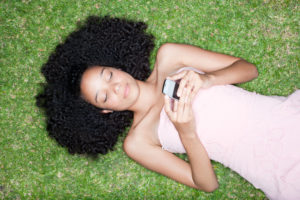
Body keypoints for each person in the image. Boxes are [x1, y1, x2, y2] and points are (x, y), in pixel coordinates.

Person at [37, 16, 300, 200]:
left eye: (108, 75)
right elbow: (206, 184)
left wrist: (208, 79)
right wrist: (187, 132)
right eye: (104, 97)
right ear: (105, 111)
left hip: (288, 118)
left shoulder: (170, 57)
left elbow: (248, 70)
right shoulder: (139, 141)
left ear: (114, 65)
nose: (116, 87)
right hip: (274, 169)